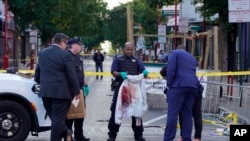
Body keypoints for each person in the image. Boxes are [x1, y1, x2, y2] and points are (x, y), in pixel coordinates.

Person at [34, 33, 81, 141]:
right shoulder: (66, 55)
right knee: (57, 120)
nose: (67, 46)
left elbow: (38, 73)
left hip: (46, 93)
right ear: (62, 42)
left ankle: (66, 133)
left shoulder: (42, 53)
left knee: (55, 120)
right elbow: (71, 75)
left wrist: (41, 83)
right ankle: (67, 132)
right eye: (66, 43)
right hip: (61, 93)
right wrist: (76, 91)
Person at [107, 42, 149, 141]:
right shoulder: (118, 60)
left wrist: (144, 72)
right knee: (116, 111)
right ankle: (112, 135)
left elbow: (143, 70)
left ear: (133, 50)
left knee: (137, 113)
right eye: (127, 49)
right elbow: (113, 72)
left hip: (134, 91)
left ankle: (138, 135)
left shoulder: (137, 60)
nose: (129, 51)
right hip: (120, 89)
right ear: (124, 49)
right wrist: (120, 74)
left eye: (131, 49)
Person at [164, 45, 199, 141]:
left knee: (173, 113)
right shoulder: (192, 57)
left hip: (178, 85)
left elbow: (170, 69)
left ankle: (168, 138)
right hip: (193, 86)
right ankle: (186, 138)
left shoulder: (174, 53)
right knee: (187, 113)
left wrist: (169, 84)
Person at [66, 37, 90, 141]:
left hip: (80, 90)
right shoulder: (67, 57)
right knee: (71, 115)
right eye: (79, 45)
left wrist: (85, 85)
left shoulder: (79, 57)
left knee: (80, 114)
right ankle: (68, 136)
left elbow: (81, 72)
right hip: (71, 91)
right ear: (73, 45)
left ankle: (79, 135)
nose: (80, 47)